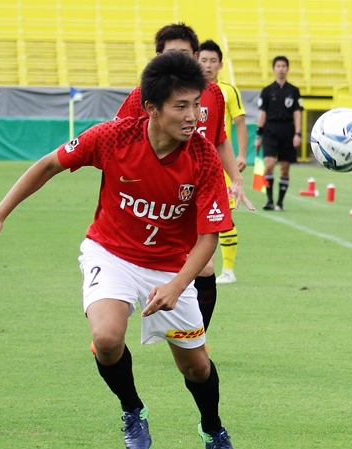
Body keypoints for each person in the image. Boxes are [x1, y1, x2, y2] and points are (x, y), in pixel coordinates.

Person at [0, 52, 238, 449]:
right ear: (151, 108)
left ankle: (213, 428)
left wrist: (177, 285)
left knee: (196, 368)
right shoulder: (113, 136)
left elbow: (208, 238)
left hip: (170, 268)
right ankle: (132, 409)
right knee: (107, 339)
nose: (194, 115)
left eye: (197, 105)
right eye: (181, 106)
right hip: (110, 254)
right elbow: (47, 165)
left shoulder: (202, 157)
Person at [116, 23, 254, 332]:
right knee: (137, 262)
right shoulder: (143, 95)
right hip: (152, 196)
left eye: (186, 54)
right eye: (171, 54)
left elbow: (220, 139)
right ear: (158, 57)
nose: (180, 61)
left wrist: (236, 178)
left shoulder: (214, 94)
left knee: (205, 267)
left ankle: (197, 337)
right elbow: (119, 139)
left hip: (199, 189)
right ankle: (111, 323)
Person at [198, 39, 247, 284]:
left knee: (223, 215)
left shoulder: (227, 91)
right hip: (193, 167)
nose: (208, 66)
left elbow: (239, 124)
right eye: (203, 60)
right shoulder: (187, 89)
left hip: (221, 166)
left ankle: (227, 269)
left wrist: (241, 155)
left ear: (220, 64)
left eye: (212, 61)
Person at [254, 55, 304, 211]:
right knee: (269, 164)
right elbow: (262, 113)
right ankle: (269, 200)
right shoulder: (267, 91)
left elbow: (297, 113)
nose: (281, 69)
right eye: (278, 66)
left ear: (287, 69)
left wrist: (298, 133)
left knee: (284, 168)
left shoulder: (294, 91)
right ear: (274, 69)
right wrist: (258, 135)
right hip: (270, 130)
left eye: (283, 66)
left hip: (287, 131)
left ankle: (280, 202)